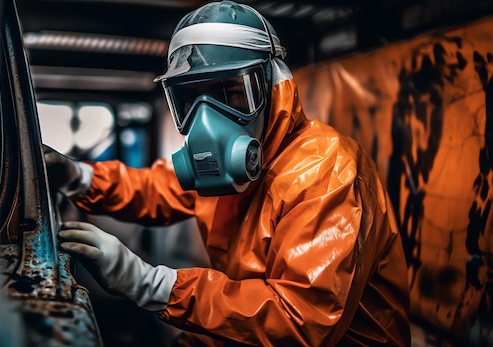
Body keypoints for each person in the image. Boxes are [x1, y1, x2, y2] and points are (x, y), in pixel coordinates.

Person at [44, 1, 411, 346]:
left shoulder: (326, 170)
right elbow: (156, 188)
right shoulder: (220, 173)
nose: (207, 119)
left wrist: (153, 285)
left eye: (231, 92)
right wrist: (78, 176)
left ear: (271, 87)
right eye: (190, 99)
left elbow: (299, 320)